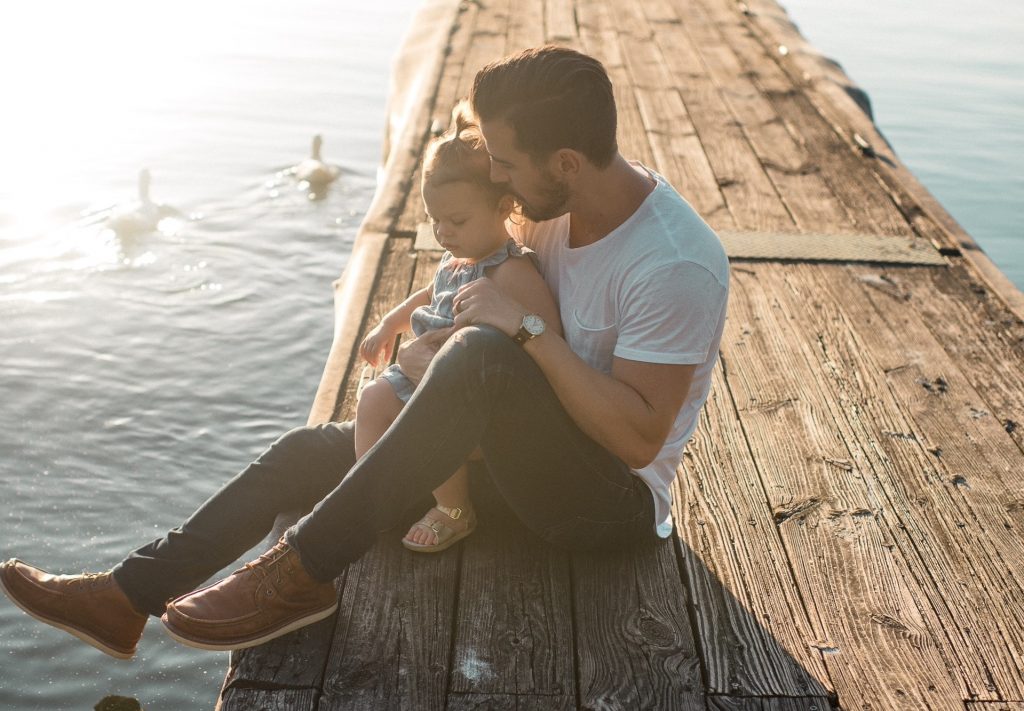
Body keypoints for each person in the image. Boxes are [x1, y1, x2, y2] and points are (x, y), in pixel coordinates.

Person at [0, 45, 728, 658]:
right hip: (510, 460)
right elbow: (479, 275)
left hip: (603, 505)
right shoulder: (550, 211)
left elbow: (637, 440)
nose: (496, 176)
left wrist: (524, 332)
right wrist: (407, 313)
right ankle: (125, 596)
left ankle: (302, 572)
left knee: (479, 355)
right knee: (303, 453)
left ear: (565, 162)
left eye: (505, 162)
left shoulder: (672, 262)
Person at [356, 104, 561, 553]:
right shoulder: (458, 257)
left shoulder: (511, 271)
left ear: (504, 205)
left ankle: (455, 509)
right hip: (424, 367)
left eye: (458, 221)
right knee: (371, 400)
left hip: (467, 393)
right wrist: (390, 324)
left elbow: (547, 335)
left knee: (434, 423)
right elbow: (430, 294)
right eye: (435, 221)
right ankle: (373, 495)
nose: (444, 233)